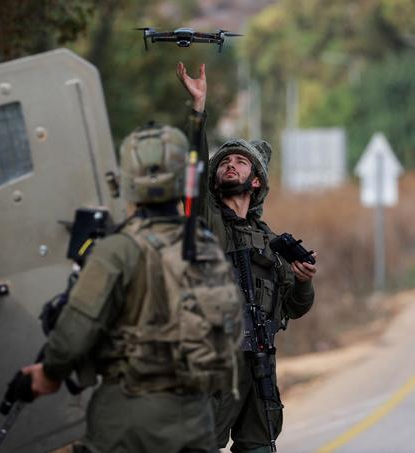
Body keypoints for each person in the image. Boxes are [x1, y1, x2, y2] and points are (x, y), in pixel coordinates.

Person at [21, 123, 244, 453]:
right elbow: (231, 328)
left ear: (126, 179)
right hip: (194, 420)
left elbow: (75, 331)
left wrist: (48, 373)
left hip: (127, 418)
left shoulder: (118, 249)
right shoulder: (205, 246)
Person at [176, 62, 317, 453]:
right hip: (213, 362)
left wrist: (304, 281)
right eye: (224, 162)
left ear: (256, 181)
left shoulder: (270, 242)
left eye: (240, 162)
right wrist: (198, 110)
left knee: (259, 445)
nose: (229, 164)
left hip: (259, 364)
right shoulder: (207, 221)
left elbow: (295, 306)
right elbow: (194, 168)